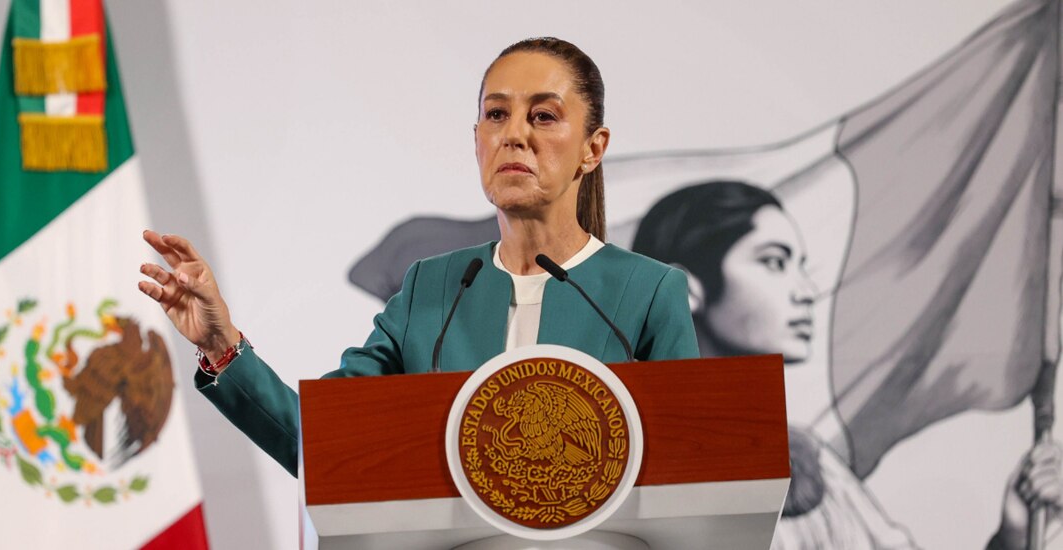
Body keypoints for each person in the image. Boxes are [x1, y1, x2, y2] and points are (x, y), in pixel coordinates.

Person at [137, 38, 699, 478]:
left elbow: (695, 472)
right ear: (475, 137)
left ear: (593, 148)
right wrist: (221, 346)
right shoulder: (433, 290)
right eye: (496, 115)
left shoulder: (647, 294)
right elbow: (321, 442)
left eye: (544, 116)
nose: (514, 135)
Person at [632, 181, 1062, 550]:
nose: (805, 291)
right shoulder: (620, 454)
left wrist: (1014, 533)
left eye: (802, 267)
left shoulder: (808, 457)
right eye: (774, 262)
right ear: (683, 288)